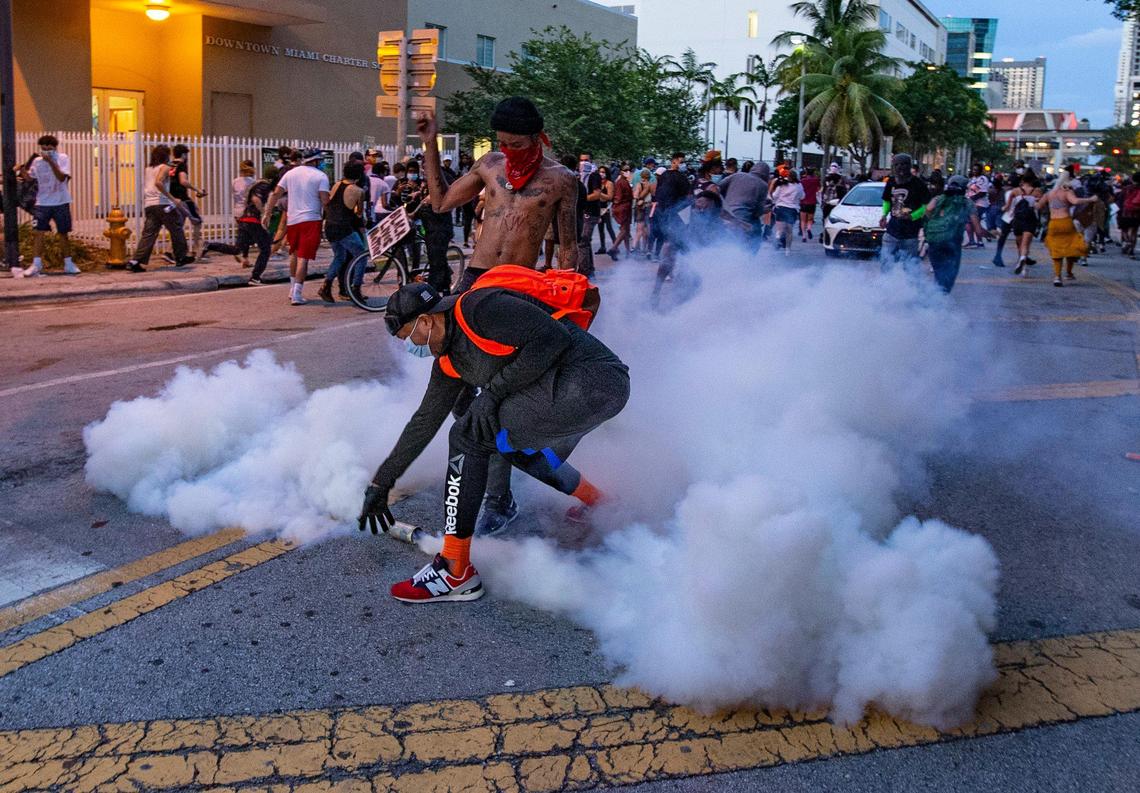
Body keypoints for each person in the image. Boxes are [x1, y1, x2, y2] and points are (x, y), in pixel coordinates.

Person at [360, 280, 629, 603]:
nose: (410, 346)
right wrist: (381, 482)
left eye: (407, 336)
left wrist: (494, 393)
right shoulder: (448, 363)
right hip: (574, 392)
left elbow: (552, 337)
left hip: (594, 380)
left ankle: (454, 569)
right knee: (510, 445)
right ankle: (599, 501)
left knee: (469, 436)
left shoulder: (479, 308)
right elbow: (423, 422)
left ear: (426, 321)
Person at [413, 97, 580, 534]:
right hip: (473, 282)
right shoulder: (490, 164)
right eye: (503, 143)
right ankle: (494, 458)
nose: (511, 152)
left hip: (518, 289)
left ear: (538, 137)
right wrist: (430, 144)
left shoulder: (562, 180)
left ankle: (498, 497)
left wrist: (571, 304)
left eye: (518, 144)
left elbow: (567, 249)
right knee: (457, 389)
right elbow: (441, 201)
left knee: (499, 396)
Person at [262, 148, 330, 305]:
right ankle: (297, 294)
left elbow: (276, 193)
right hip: (311, 219)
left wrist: (267, 213)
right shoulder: (321, 176)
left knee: (294, 254)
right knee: (303, 258)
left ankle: (293, 289)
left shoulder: (290, 173)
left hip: (293, 220)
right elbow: (325, 200)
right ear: (315, 161)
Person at [12, 135, 78, 277]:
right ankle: (36, 264)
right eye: (43, 148)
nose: (46, 151)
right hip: (42, 202)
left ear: (55, 147)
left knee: (63, 233)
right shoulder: (37, 161)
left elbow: (61, 177)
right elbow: (30, 179)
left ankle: (68, 263)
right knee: (38, 233)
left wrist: (51, 162)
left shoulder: (62, 158)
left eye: (50, 148)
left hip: (61, 201)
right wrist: (21, 170)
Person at [126, 144, 193, 273]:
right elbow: (158, 182)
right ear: (166, 155)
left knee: (149, 234)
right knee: (176, 227)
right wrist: (172, 198)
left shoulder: (148, 169)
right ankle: (181, 257)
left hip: (150, 205)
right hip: (163, 204)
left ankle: (137, 261)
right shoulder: (165, 167)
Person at [922, 175, 990, 293]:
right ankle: (940, 302)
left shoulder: (938, 199)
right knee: (949, 277)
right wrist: (988, 234)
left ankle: (933, 302)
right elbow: (978, 230)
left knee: (938, 275)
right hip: (953, 245)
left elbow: (928, 210)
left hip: (935, 242)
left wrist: (935, 220)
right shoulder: (967, 203)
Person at [318, 159, 367, 304]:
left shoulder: (336, 185)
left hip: (330, 226)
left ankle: (326, 286)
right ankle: (356, 288)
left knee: (339, 256)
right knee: (361, 256)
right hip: (343, 228)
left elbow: (329, 203)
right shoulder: (359, 191)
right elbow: (358, 214)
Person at [1037, 170, 1097, 287]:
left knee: (1056, 250)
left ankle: (1057, 277)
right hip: (1066, 222)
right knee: (1071, 248)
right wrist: (1090, 199)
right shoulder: (1067, 192)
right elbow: (1075, 201)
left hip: (1053, 223)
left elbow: (1038, 206)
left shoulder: (1049, 193)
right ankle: (1069, 273)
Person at [879, 153, 929, 272]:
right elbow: (886, 201)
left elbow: (926, 206)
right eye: (897, 165)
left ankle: (909, 288)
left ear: (909, 166)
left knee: (910, 266)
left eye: (904, 164)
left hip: (910, 233)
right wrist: (884, 215)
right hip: (892, 230)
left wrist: (912, 216)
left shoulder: (918, 183)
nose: (900, 168)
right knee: (886, 263)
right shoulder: (891, 182)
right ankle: (886, 286)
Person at [169, 144, 207, 261]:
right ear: (184, 154)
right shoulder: (182, 165)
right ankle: (197, 251)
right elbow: (183, 181)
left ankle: (173, 251)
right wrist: (197, 189)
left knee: (178, 226)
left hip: (172, 199)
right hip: (183, 198)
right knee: (197, 222)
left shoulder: (170, 165)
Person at [719, 161, 767, 250]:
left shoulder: (737, 175)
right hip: (744, 219)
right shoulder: (763, 185)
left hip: (726, 214)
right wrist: (766, 209)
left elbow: (718, 187)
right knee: (754, 236)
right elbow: (758, 212)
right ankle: (749, 258)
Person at [1007, 174, 1042, 275]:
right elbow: (1040, 206)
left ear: (1022, 180)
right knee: (1025, 244)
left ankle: (1021, 263)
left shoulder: (1015, 191)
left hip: (1018, 219)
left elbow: (1007, 206)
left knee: (1019, 243)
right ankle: (1023, 259)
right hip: (1030, 219)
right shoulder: (1037, 191)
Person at [770, 167, 804, 253]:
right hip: (793, 209)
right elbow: (803, 196)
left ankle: (777, 238)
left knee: (780, 229)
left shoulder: (782, 184)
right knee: (789, 231)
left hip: (781, 208)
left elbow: (775, 196)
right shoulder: (799, 185)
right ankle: (788, 249)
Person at [606, 164, 634, 259]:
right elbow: (618, 197)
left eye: (628, 170)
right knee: (624, 230)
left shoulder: (623, 181)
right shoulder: (621, 182)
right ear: (621, 171)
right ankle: (614, 248)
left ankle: (627, 251)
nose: (627, 171)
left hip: (625, 207)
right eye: (625, 170)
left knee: (626, 230)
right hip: (623, 208)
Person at [1118, 172, 1140, 258]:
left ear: (1132, 179)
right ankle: (1131, 251)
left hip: (1125, 212)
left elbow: (1120, 200)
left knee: (1124, 230)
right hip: (1137, 214)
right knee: (1134, 232)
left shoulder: (1126, 188)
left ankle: (1127, 242)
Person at [594, 165, 616, 255]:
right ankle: (602, 246)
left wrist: (600, 194)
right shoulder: (597, 182)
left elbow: (610, 197)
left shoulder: (609, 183)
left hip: (606, 207)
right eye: (600, 172)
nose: (601, 174)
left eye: (603, 172)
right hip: (598, 207)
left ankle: (615, 246)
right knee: (600, 228)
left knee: (609, 227)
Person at [819, 163, 847, 228]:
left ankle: (827, 230)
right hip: (830, 201)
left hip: (833, 201)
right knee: (829, 216)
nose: (833, 168)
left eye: (835, 166)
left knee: (829, 217)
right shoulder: (829, 177)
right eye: (832, 166)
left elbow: (823, 188)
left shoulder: (839, 178)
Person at [799, 166, 820, 241]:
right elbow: (818, 190)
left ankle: (804, 236)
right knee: (810, 219)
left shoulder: (802, 181)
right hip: (812, 202)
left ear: (806, 172)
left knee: (802, 220)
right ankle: (809, 229)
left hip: (803, 201)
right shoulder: (816, 180)